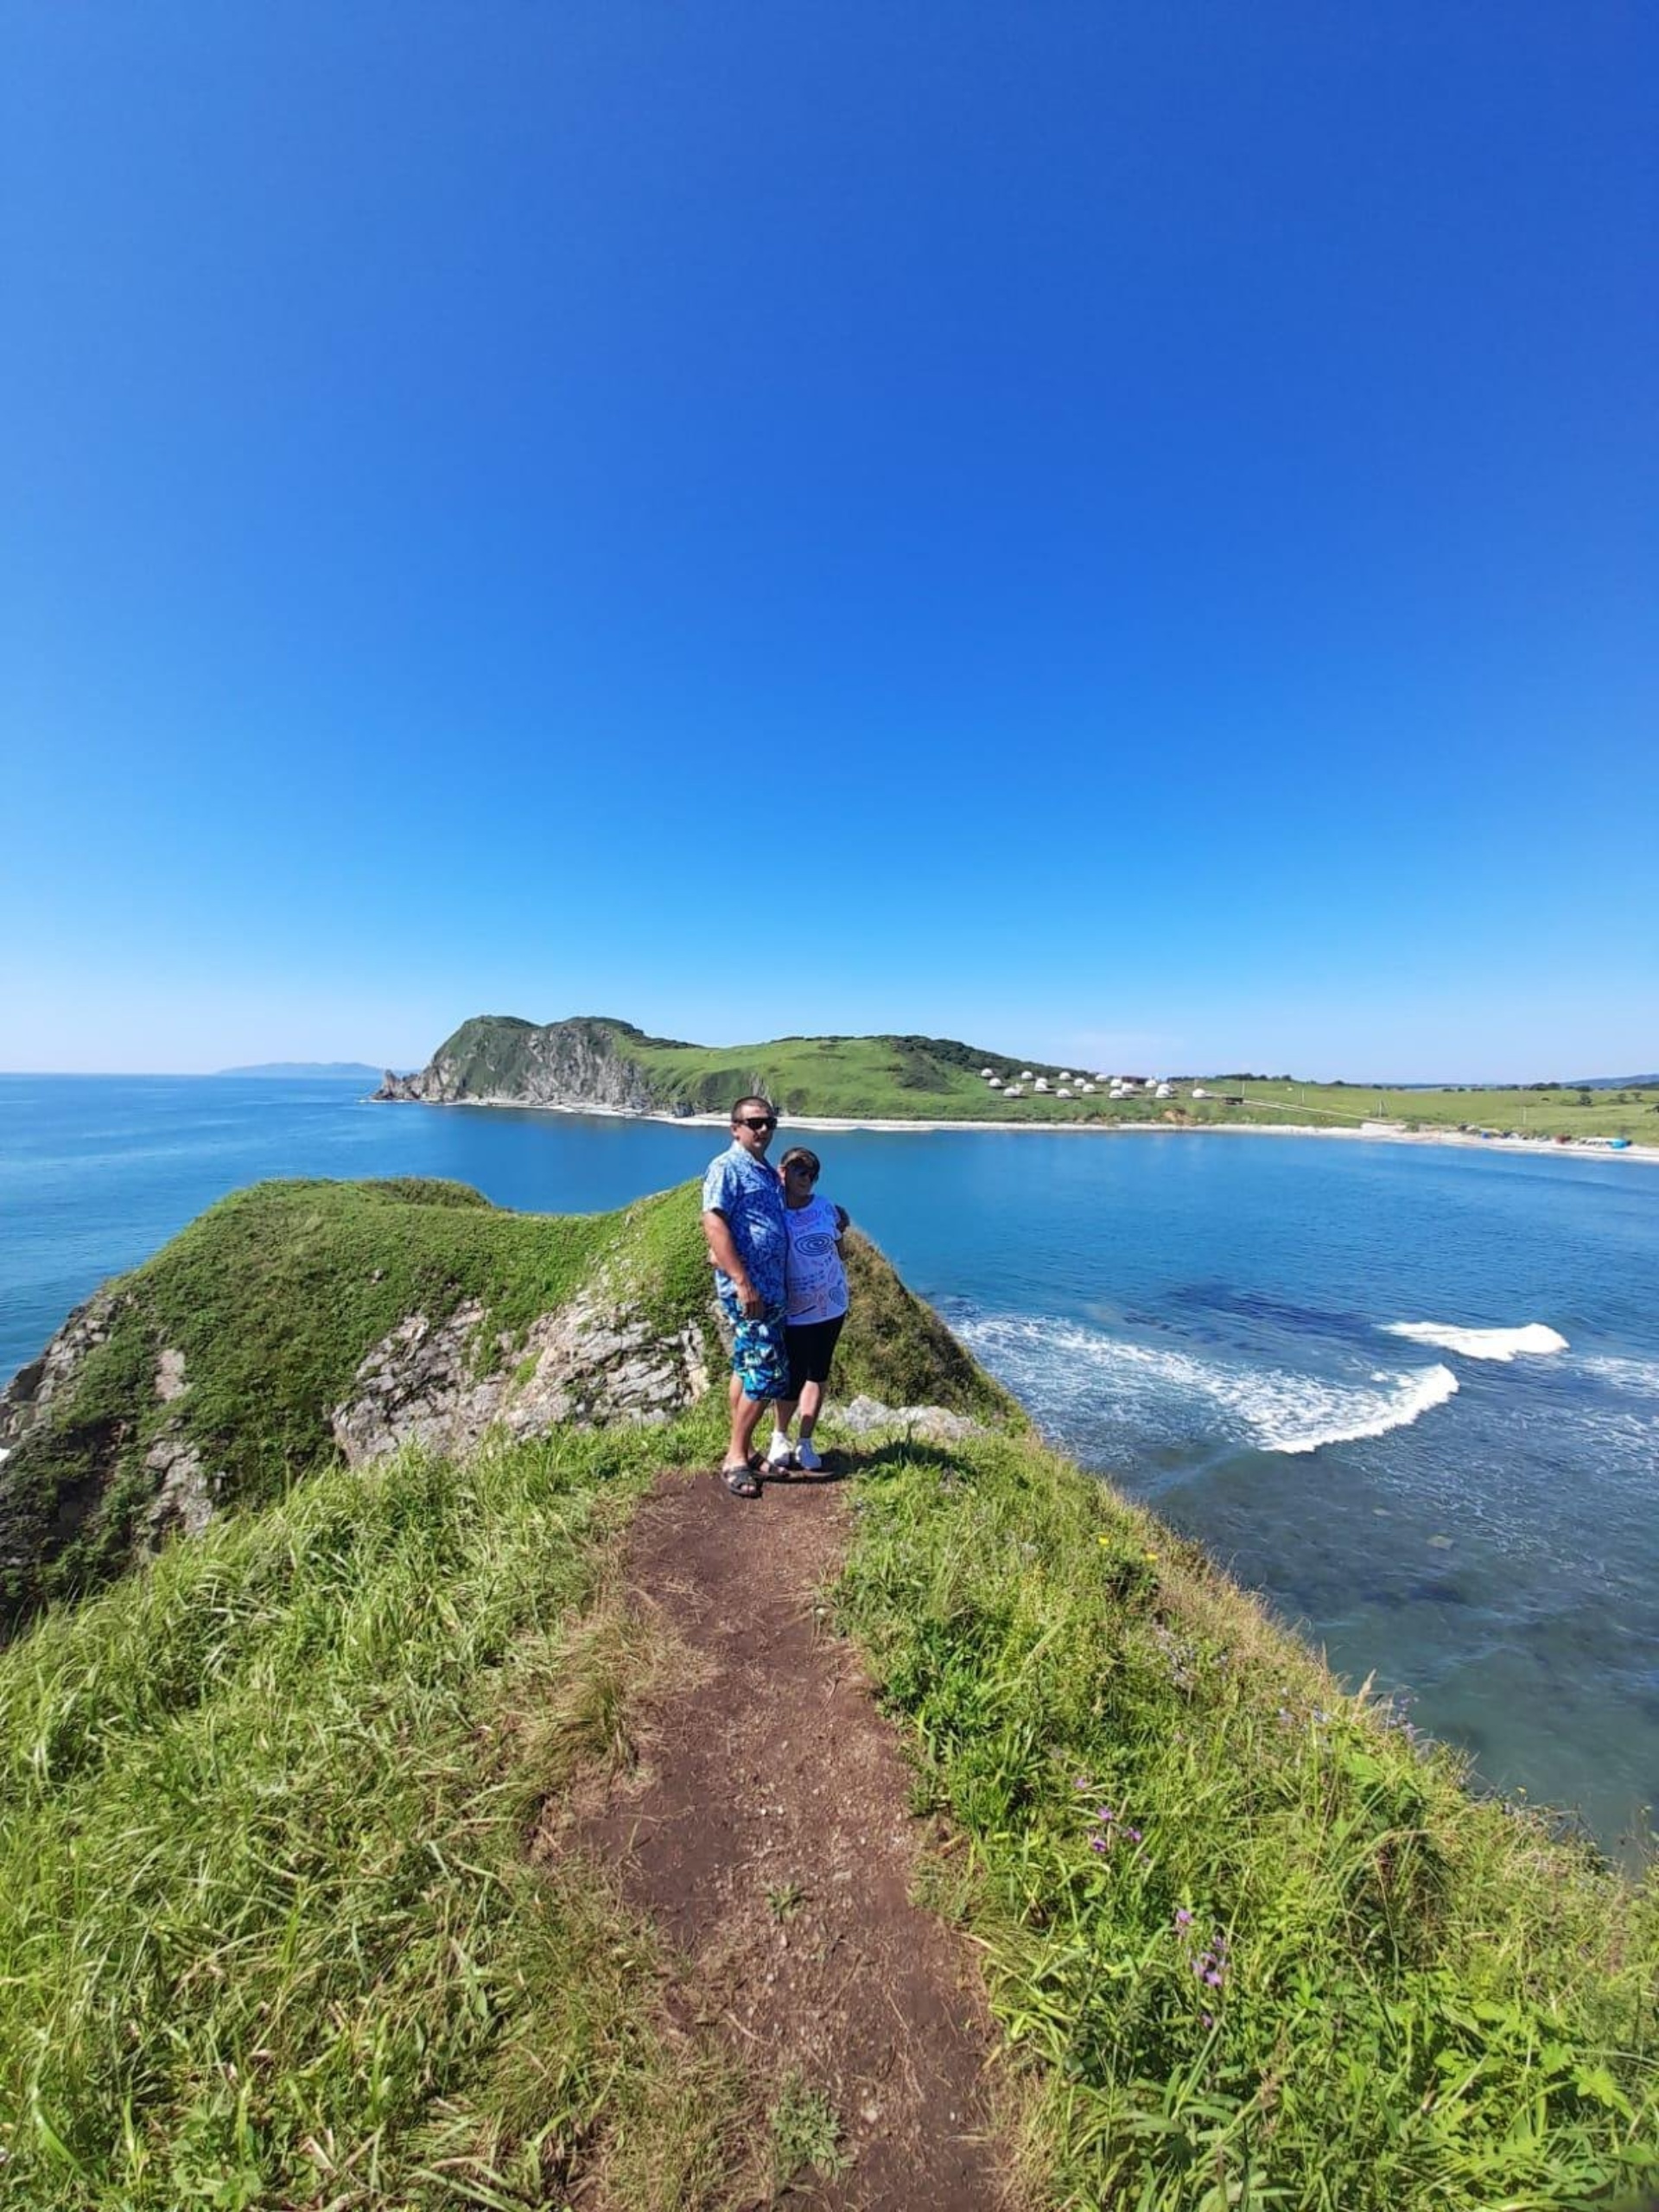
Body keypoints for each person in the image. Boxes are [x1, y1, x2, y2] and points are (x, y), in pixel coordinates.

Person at [701, 1095, 790, 1498]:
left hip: (769, 1289)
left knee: (744, 1365)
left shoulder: (766, 1172)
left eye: (769, 1122)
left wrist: (834, 1215)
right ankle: (736, 1457)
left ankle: (746, 1449)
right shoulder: (726, 1167)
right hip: (750, 1291)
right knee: (765, 1371)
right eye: (754, 1123)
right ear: (735, 1128)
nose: (763, 1129)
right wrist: (741, 1280)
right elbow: (713, 1221)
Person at [763, 1146, 849, 1477]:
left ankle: (806, 1442)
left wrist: (842, 1231)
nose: (806, 1177)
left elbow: (840, 1249)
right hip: (794, 1311)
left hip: (832, 1305)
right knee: (793, 1376)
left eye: (811, 1172)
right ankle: (779, 1437)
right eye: (798, 1170)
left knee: (819, 1373)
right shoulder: (772, 1210)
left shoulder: (827, 1206)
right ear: (782, 1172)